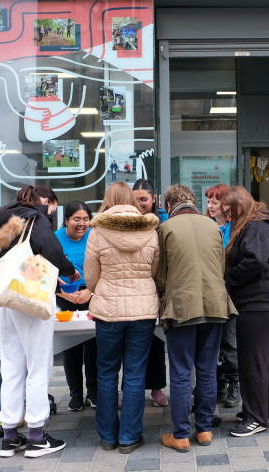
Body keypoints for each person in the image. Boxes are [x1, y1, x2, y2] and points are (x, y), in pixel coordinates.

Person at [0, 186, 77, 458]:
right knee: (38, 367)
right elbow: (52, 250)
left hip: (6, 301)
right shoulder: (35, 219)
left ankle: (9, 437)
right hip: (30, 300)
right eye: (52, 207)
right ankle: (36, 436)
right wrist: (69, 270)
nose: (52, 213)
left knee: (11, 367)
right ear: (44, 201)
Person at [0, 187, 60, 439]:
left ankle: (8, 424)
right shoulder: (27, 224)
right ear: (46, 202)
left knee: (9, 367)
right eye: (53, 212)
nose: (51, 218)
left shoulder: (5, 223)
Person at [156, 185, 237, 452]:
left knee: (180, 372)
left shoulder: (166, 228)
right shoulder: (213, 226)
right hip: (215, 304)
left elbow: (162, 276)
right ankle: (204, 431)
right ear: (192, 201)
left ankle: (180, 434)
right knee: (206, 368)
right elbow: (220, 264)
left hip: (182, 306)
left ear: (169, 205)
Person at [86, 182, 161, 454]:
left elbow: (91, 278)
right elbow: (153, 270)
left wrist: (99, 290)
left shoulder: (96, 231)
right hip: (143, 310)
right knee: (135, 373)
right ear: (131, 199)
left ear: (108, 200)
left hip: (108, 311)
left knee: (106, 372)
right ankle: (129, 436)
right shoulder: (150, 229)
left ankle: (108, 436)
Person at [220, 187, 269, 437]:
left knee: (252, 359)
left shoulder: (257, 226)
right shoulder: (259, 223)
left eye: (229, 212)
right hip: (265, 300)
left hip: (260, 301)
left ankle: (256, 417)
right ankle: (267, 409)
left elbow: (255, 261)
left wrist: (228, 276)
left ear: (241, 206)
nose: (228, 217)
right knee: (263, 357)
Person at [54, 201, 97, 412]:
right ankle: (76, 394)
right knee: (71, 347)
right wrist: (67, 295)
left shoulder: (94, 236)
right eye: (76, 219)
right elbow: (47, 272)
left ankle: (94, 393)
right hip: (65, 295)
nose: (82, 224)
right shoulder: (54, 239)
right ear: (66, 220)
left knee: (93, 346)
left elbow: (102, 267)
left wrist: (89, 291)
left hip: (91, 292)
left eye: (86, 219)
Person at [132, 179, 169, 408]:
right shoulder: (126, 219)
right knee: (132, 343)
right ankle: (131, 389)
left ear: (154, 199)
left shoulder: (164, 220)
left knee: (156, 340)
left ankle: (156, 388)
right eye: (135, 200)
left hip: (157, 285)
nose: (139, 204)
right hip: (133, 286)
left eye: (143, 200)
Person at [204, 183, 239, 409]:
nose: (210, 206)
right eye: (208, 201)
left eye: (215, 202)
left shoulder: (237, 227)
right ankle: (218, 383)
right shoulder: (205, 225)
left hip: (230, 289)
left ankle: (235, 382)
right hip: (210, 289)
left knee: (229, 339)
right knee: (211, 339)